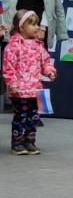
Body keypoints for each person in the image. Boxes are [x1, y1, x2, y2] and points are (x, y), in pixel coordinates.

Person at [4, 10, 56, 154]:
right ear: (21, 27)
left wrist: (49, 71)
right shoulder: (13, 46)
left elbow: (45, 62)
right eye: (32, 24)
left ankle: (30, 141)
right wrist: (12, 84)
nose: (36, 27)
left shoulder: (38, 46)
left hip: (35, 88)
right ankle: (17, 142)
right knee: (21, 116)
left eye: (37, 24)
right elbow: (9, 67)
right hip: (19, 90)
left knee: (33, 117)